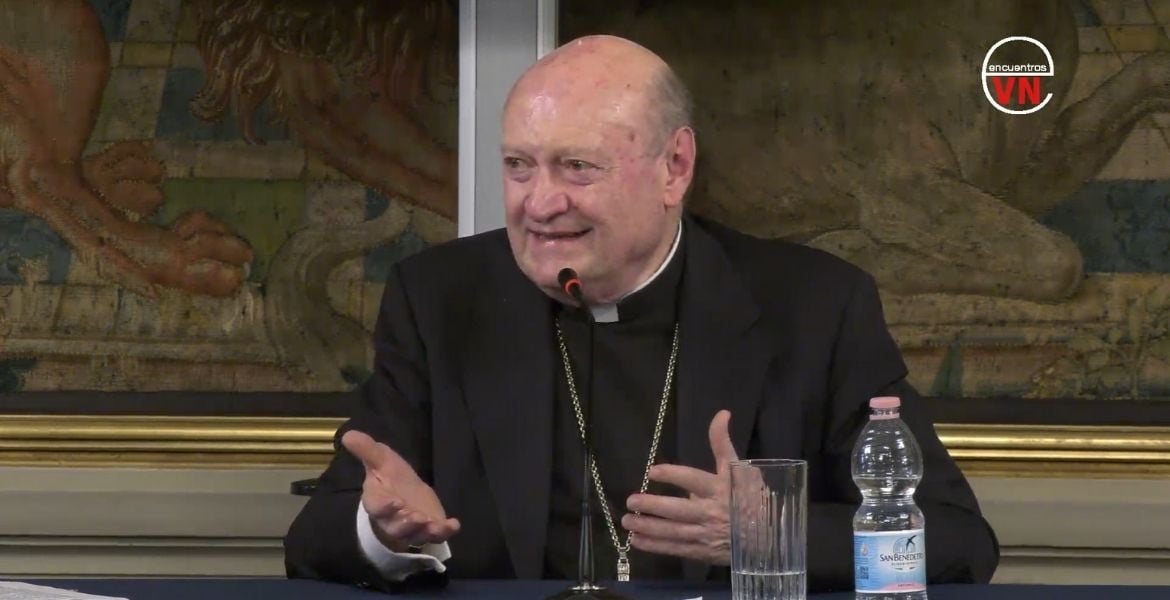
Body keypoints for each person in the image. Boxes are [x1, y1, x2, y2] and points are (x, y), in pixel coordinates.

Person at [283, 34, 999, 593]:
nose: (539, 203)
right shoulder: (440, 299)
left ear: (674, 167)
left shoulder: (814, 307)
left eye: (577, 167)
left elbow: (959, 541)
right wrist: (383, 531)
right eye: (519, 166)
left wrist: (768, 535)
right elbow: (315, 538)